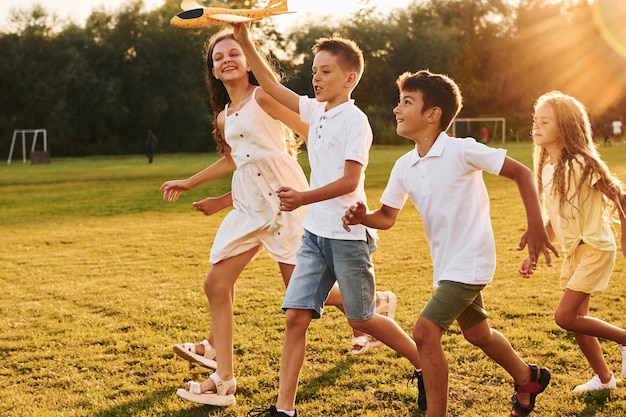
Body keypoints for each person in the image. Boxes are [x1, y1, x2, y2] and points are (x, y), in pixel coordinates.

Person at [160, 28, 398, 407]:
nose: (226, 60)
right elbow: (236, 160)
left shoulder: (264, 97)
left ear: (249, 61)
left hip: (287, 200)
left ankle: (376, 303)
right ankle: (223, 377)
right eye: (218, 57)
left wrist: (320, 184)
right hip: (252, 207)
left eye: (234, 53)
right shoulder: (225, 117)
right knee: (216, 284)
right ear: (213, 70)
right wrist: (194, 185)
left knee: (299, 294)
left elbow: (313, 128)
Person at [233, 24, 426, 417]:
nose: (316, 77)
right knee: (295, 316)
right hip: (314, 234)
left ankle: (424, 362)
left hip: (348, 237)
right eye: (314, 70)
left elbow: (349, 181)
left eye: (325, 71)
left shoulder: (356, 122)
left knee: (362, 317)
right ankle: (283, 410)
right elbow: (269, 85)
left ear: (349, 78)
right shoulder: (315, 110)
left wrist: (302, 196)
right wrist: (243, 39)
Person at [342, 70, 558, 417]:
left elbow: (520, 172)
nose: (397, 110)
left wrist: (536, 225)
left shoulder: (461, 151)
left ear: (433, 114)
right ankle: (528, 378)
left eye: (407, 102)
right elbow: (387, 215)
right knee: (478, 334)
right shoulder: (404, 165)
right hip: (446, 264)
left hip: (472, 259)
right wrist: (362, 216)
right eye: (400, 102)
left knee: (425, 333)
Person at [519, 91, 626, 392]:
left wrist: (625, 233)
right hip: (575, 252)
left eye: (545, 121)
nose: (536, 126)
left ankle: (624, 339)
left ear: (564, 127)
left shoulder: (580, 162)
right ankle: (604, 380)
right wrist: (534, 255)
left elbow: (618, 194)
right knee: (578, 319)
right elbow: (553, 220)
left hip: (595, 248)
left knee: (565, 317)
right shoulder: (549, 168)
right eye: (535, 120)